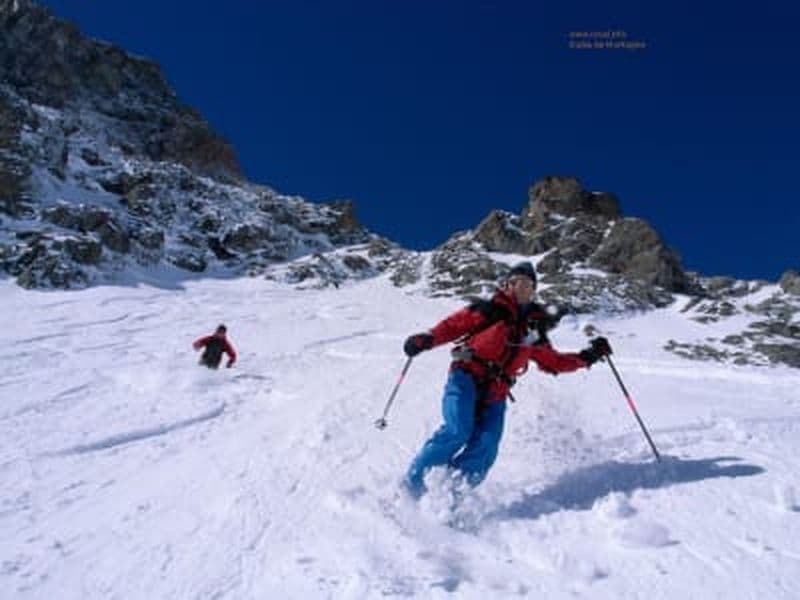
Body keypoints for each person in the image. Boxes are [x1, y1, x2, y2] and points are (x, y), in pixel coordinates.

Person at [401, 261, 611, 498]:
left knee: (487, 445)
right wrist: (427, 339)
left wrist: (588, 356)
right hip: (466, 376)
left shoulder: (533, 332)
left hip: (497, 391)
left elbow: (554, 362)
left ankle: (449, 496)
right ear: (507, 285)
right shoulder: (488, 310)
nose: (521, 287)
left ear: (534, 290)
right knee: (458, 429)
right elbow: (453, 326)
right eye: (515, 282)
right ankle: (412, 487)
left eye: (528, 283)